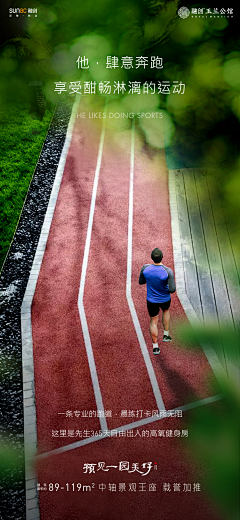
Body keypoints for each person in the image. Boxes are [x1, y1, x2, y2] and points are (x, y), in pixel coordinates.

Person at [139, 248, 176, 355]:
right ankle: (166, 335)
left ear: (151, 258)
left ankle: (155, 347)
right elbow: (172, 290)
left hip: (151, 300)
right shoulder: (168, 271)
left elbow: (141, 282)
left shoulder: (145, 268)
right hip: (165, 299)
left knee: (153, 321)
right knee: (166, 311)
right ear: (162, 257)